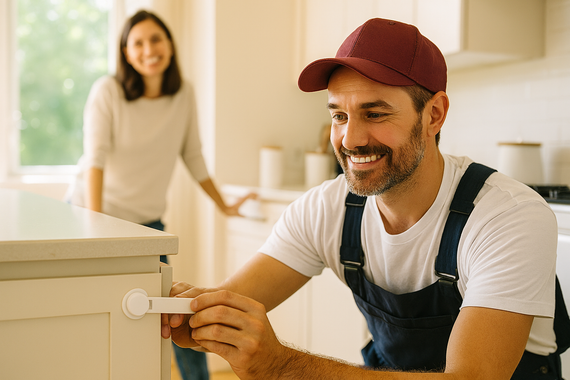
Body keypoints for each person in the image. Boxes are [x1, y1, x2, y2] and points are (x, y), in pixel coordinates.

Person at [161, 18, 563, 379]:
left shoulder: (508, 217)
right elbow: (233, 304)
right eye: (339, 115)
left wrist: (281, 365)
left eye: (375, 114)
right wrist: (194, 317)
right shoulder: (326, 209)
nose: (350, 140)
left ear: (434, 115)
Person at [67, 10, 252, 380]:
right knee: (95, 311)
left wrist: (224, 205)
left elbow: (193, 156)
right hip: (97, 216)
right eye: (137, 43)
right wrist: (95, 225)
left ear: (169, 45)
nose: (148, 49)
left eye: (156, 39)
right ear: (125, 52)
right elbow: (95, 160)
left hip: (148, 224)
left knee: (174, 309)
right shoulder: (108, 91)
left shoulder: (183, 93)